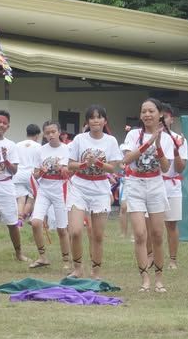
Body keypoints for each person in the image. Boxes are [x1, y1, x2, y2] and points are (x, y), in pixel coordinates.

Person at [122, 99, 174, 292]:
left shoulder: (167, 138)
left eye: (151, 111)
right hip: (135, 184)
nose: (147, 115)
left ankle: (159, 279)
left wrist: (158, 145)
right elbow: (127, 159)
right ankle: (145, 279)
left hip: (155, 184)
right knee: (139, 234)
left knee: (158, 234)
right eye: (144, 111)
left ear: (160, 114)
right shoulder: (133, 134)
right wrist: (148, 143)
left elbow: (166, 168)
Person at [65, 105, 122, 279]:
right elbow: (70, 165)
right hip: (79, 187)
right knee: (75, 231)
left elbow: (113, 167)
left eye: (99, 117)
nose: (95, 121)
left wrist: (97, 162)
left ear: (105, 121)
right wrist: (85, 164)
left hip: (100, 189)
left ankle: (96, 271)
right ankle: (77, 268)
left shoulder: (111, 141)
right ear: (87, 121)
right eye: (92, 117)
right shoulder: (79, 139)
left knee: (97, 235)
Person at [29, 120, 72, 270]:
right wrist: (41, 172)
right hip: (44, 189)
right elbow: (35, 174)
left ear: (59, 132)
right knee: (35, 222)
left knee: (61, 228)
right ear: (44, 135)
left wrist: (63, 169)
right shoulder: (40, 150)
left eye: (53, 132)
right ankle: (42, 257)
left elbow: (72, 171)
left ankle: (66, 260)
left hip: (61, 189)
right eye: (47, 133)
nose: (51, 135)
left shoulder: (67, 149)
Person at [0, 110, 26, 262]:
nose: (1, 125)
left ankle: (19, 253)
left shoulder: (11, 145)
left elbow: (14, 170)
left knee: (12, 222)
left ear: (8, 126)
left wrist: (5, 160)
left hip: (5, 185)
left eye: (4, 123)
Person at [160, 104, 188, 270]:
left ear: (171, 119)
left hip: (172, 184)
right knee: (151, 225)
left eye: (165, 117)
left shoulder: (179, 139)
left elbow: (180, 168)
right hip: (153, 183)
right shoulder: (148, 137)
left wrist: (176, 149)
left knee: (171, 224)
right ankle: (150, 257)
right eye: (159, 116)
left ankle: (172, 260)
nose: (162, 120)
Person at [13, 123, 42, 226]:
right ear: (37, 135)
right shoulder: (39, 146)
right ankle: (31, 216)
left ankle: (19, 221)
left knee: (20, 199)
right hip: (31, 175)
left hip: (18, 174)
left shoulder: (17, 145)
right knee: (32, 197)